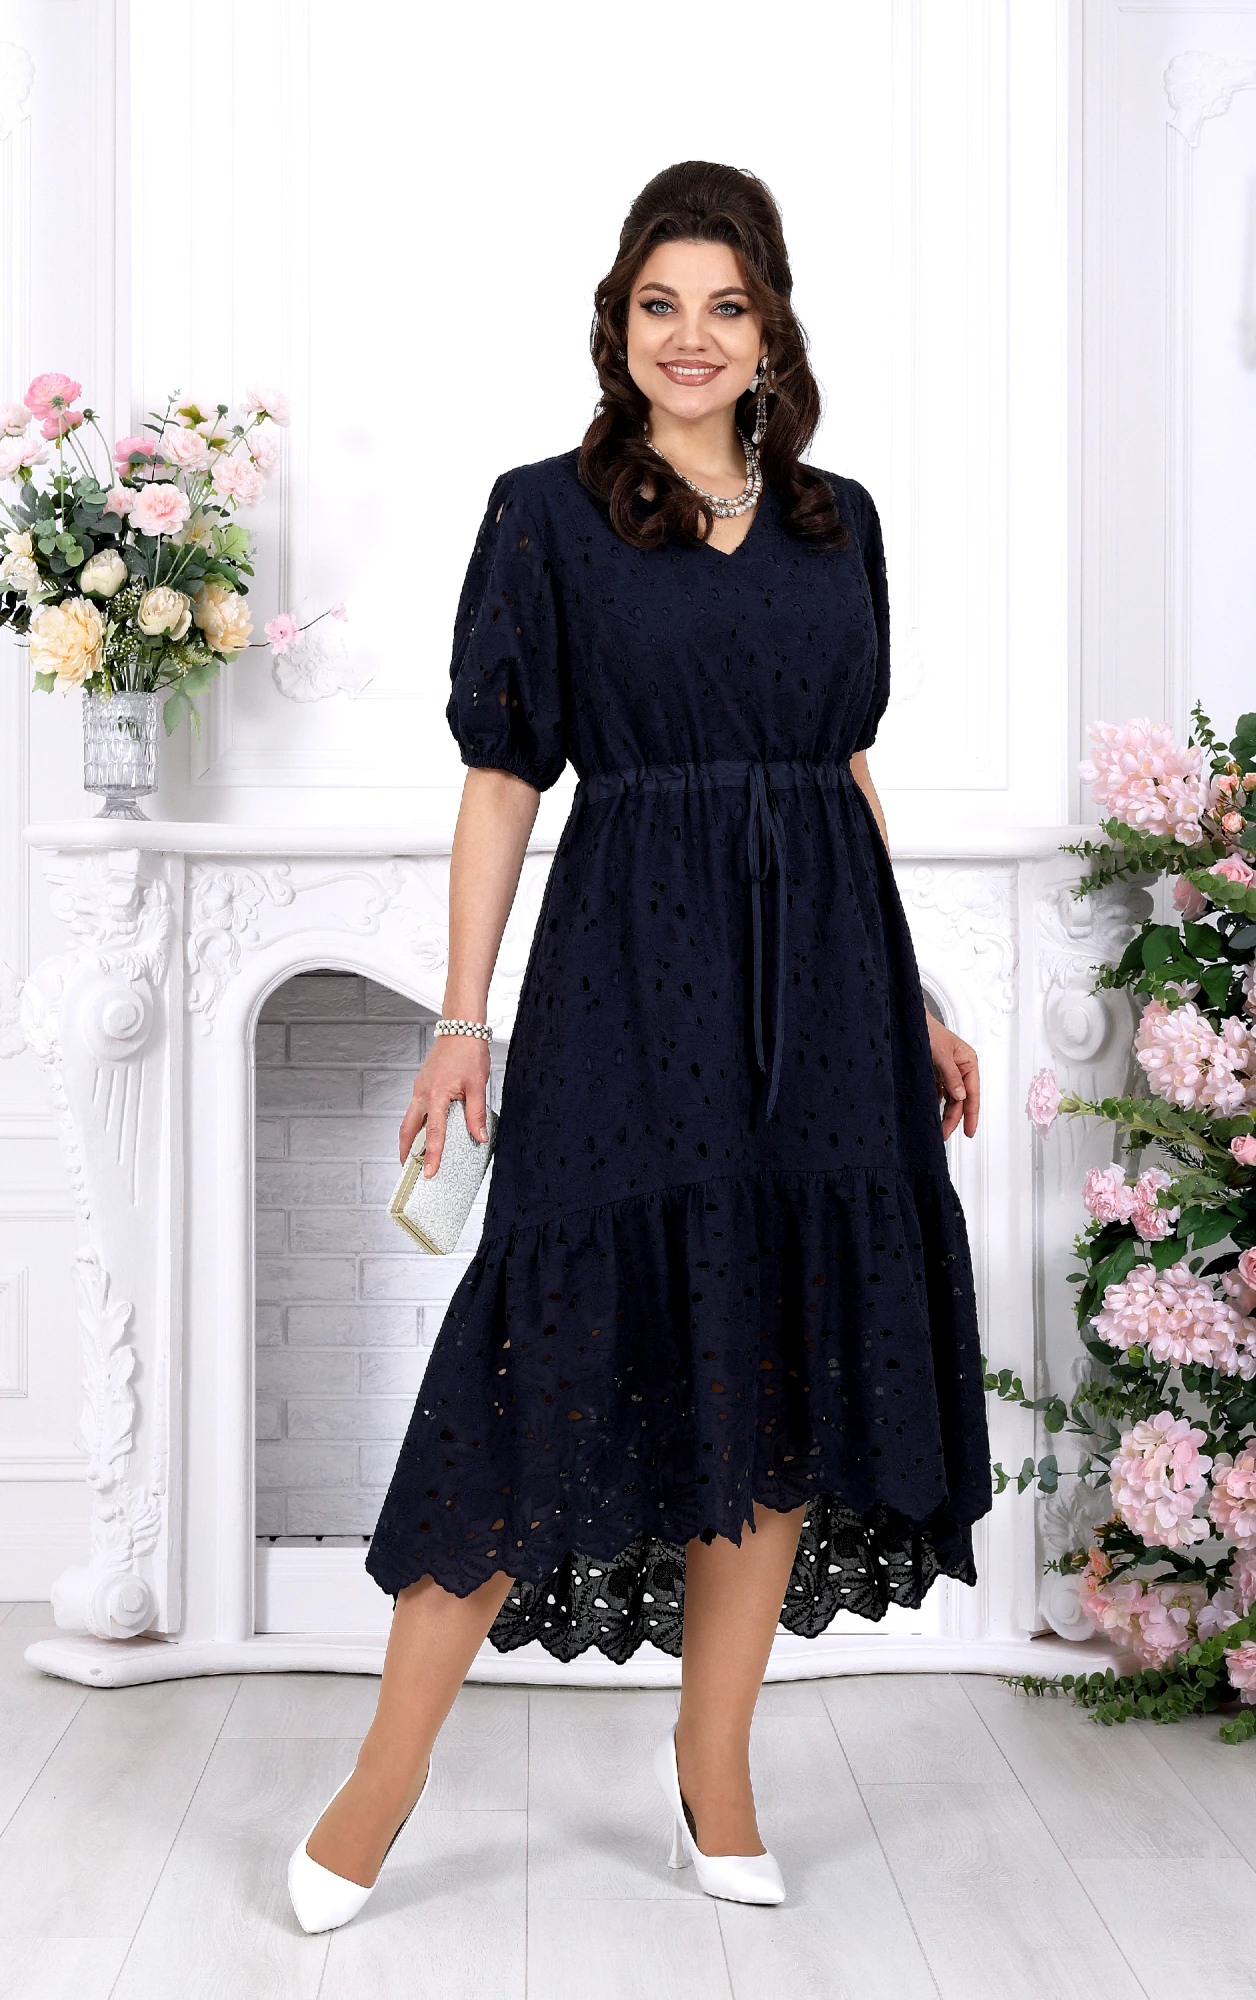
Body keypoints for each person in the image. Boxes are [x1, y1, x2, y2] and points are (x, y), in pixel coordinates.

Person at [287, 159, 991, 1934]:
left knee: (781, 1359)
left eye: (726, 307)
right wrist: (463, 1020)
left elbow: (840, 767)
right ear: (618, 326)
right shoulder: (547, 516)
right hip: (630, 970)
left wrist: (911, 1002)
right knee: (537, 1356)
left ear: (772, 333)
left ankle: (713, 1772)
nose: (693, 337)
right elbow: (501, 782)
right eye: (660, 305)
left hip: (827, 987)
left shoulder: (840, 522)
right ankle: (382, 1781)